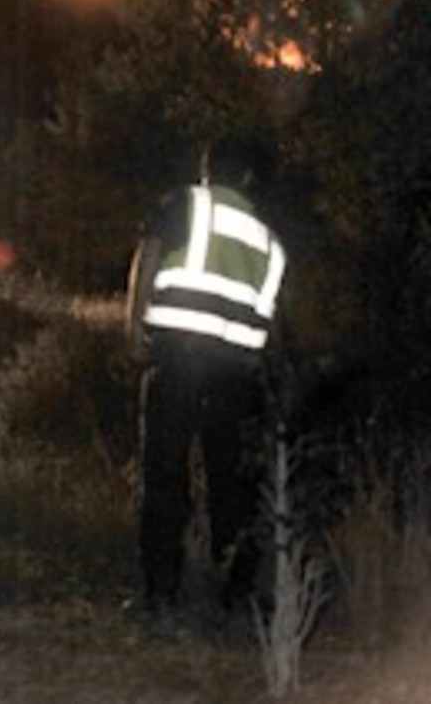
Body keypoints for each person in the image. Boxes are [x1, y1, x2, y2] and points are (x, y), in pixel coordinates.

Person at [125, 136, 287, 637]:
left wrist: (133, 327)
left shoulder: (188, 204)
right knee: (231, 487)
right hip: (236, 376)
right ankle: (236, 598)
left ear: (208, 170)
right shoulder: (270, 243)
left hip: (178, 361)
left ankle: (161, 597)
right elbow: (268, 323)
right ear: (250, 179)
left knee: (165, 478)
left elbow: (149, 254)